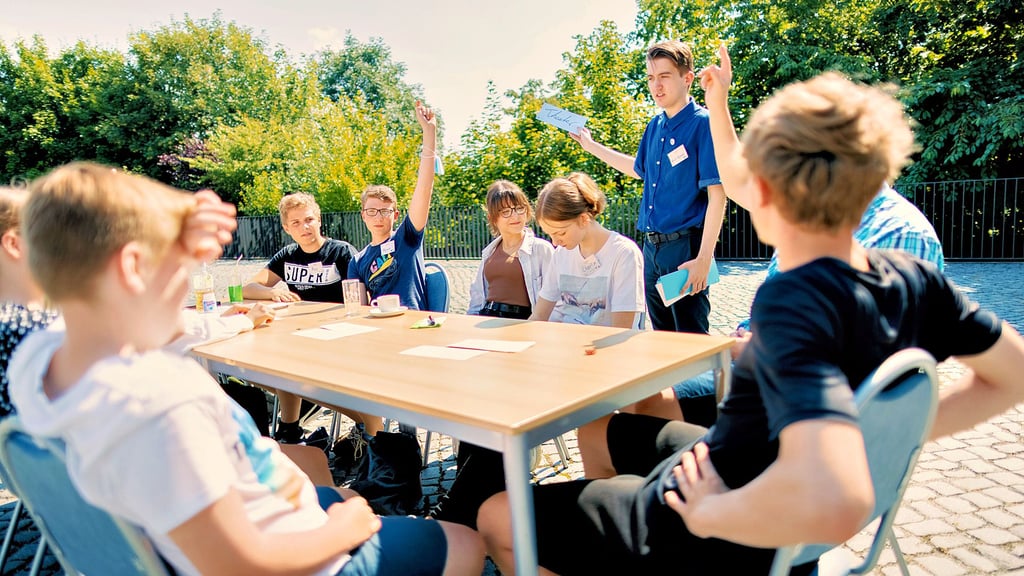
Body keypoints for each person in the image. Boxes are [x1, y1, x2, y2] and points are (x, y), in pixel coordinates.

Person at [475, 49, 1024, 575]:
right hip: (746, 461)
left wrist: (712, 512)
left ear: (766, 189)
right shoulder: (915, 277)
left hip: (736, 518)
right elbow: (1012, 375)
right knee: (598, 433)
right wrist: (881, 432)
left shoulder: (796, 299)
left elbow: (838, 500)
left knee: (498, 514)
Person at [9, 162, 485, 576]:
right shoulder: (162, 406)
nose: (191, 283)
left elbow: (137, 321)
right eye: (184, 268)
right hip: (294, 554)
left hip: (243, 514)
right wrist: (345, 528)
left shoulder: (41, 363)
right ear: (132, 268)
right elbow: (241, 565)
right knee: (465, 543)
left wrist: (166, 231)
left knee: (322, 473)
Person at [432, 172, 644, 527]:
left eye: (558, 232)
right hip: (557, 358)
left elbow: (621, 330)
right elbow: (539, 316)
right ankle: (472, 509)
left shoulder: (622, 253)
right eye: (549, 233)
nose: (554, 241)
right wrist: (516, 353)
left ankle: (463, 514)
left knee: (504, 406)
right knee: (488, 398)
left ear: (584, 218)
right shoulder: (564, 253)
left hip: (597, 363)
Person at [571, 39, 726, 335]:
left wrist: (703, 259)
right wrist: (591, 147)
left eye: (665, 76)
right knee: (662, 340)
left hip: (684, 250)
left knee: (690, 343)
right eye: (651, 78)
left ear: (687, 78)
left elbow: (717, 195)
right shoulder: (654, 126)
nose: (656, 86)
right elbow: (637, 168)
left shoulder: (703, 124)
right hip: (651, 250)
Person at [243, 192, 379, 442]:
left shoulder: (340, 252)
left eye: (308, 220)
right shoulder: (287, 255)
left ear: (318, 220)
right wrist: (272, 291)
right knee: (261, 367)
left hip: (337, 337)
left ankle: (366, 423)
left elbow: (360, 301)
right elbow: (248, 288)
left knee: (290, 371)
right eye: (295, 223)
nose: (304, 227)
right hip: (297, 335)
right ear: (286, 228)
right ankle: (289, 427)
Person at [348, 102, 437, 311]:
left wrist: (429, 133)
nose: (378, 217)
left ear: (395, 214)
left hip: (413, 322)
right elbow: (357, 307)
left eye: (385, 211)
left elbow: (424, 189)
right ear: (363, 216)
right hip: (378, 324)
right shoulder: (357, 261)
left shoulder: (407, 238)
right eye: (372, 211)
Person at [467, 180, 554, 320]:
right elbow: (477, 297)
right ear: (493, 218)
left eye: (520, 208)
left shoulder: (541, 249)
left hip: (522, 322)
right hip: (487, 319)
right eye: (506, 211)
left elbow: (556, 298)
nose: (515, 216)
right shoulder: (489, 252)